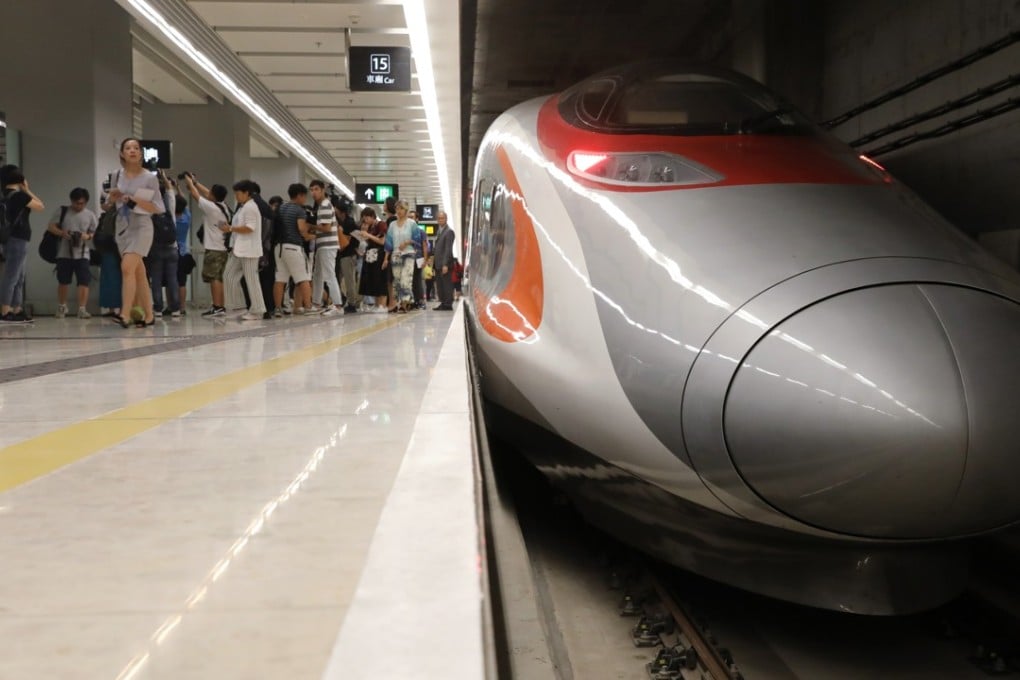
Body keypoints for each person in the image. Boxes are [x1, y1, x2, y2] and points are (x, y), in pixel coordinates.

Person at [105, 138, 164, 328]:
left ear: (141, 153)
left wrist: (135, 200)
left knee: (127, 267)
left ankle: (125, 313)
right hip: (122, 227)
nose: (132, 151)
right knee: (139, 273)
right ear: (122, 153)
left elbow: (158, 207)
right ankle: (149, 315)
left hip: (142, 226)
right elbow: (106, 205)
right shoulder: (115, 175)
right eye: (128, 148)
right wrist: (111, 199)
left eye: (136, 148)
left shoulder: (149, 178)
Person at [0, 165, 45, 323]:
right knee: (13, 276)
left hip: (8, 239)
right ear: (19, 179)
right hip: (18, 238)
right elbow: (40, 206)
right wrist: (27, 190)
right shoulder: (19, 196)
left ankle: (16, 308)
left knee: (17, 275)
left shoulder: (4, 195)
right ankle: (6, 311)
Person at [182, 173, 230, 317]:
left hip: (214, 249)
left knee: (213, 278)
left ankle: (217, 307)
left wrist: (190, 183)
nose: (208, 193)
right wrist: (196, 182)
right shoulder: (223, 206)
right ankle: (220, 306)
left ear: (213, 196)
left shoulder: (212, 208)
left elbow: (196, 195)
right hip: (222, 248)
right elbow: (206, 192)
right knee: (218, 278)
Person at [49, 187, 97, 319]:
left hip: (83, 254)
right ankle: (62, 307)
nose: (78, 206)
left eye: (81, 203)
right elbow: (51, 226)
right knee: (63, 281)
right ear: (71, 201)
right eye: (76, 203)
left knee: (84, 281)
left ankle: (82, 309)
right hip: (64, 253)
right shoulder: (63, 211)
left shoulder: (90, 215)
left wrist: (86, 236)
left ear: (86, 202)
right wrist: (62, 233)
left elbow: (94, 233)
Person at [222, 179, 265, 320]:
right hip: (238, 249)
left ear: (247, 193)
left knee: (251, 279)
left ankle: (257, 310)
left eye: (238, 193)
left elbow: (250, 228)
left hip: (249, 250)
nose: (236, 196)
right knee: (228, 276)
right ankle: (237, 306)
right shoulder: (242, 207)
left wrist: (230, 228)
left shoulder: (251, 208)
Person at [273, 183, 314, 317]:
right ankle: (308, 307)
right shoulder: (299, 210)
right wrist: (310, 236)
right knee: (303, 278)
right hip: (293, 246)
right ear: (300, 195)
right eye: (305, 196)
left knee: (280, 279)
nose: (305, 199)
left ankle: (278, 308)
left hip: (279, 247)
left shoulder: (280, 207)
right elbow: (302, 229)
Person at [308, 179, 344, 315]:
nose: (313, 192)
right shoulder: (322, 205)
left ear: (323, 190)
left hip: (328, 246)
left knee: (329, 275)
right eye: (311, 190)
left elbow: (327, 228)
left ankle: (338, 305)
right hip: (322, 245)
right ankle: (316, 303)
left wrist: (311, 227)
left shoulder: (324, 205)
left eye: (316, 189)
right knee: (317, 275)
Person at [148, 173, 180, 318]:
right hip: (172, 247)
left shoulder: (150, 209)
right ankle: (175, 309)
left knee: (156, 279)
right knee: (172, 279)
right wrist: (165, 178)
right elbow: (170, 191)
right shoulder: (170, 210)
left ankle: (158, 308)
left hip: (155, 248)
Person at [383, 199, 422, 313]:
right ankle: (403, 302)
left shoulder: (412, 223)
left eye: (401, 209)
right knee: (398, 280)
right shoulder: (392, 225)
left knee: (406, 279)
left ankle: (405, 303)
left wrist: (407, 242)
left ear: (406, 210)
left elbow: (417, 240)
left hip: (409, 254)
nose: (399, 211)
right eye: (397, 208)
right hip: (395, 254)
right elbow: (388, 243)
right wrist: (385, 258)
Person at [356, 207, 388, 313]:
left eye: (367, 218)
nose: (365, 221)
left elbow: (382, 241)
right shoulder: (370, 228)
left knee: (380, 280)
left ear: (372, 216)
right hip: (370, 256)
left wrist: (368, 235)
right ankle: (377, 304)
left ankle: (382, 305)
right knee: (373, 280)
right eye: (364, 219)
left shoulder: (381, 225)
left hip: (379, 255)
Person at [334, 197, 361, 313]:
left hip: (348, 255)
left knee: (349, 280)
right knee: (340, 279)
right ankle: (346, 299)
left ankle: (352, 303)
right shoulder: (344, 222)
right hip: (344, 254)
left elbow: (346, 242)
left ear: (341, 211)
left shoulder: (349, 223)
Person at [174, 190, 195, 315]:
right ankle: (182, 307)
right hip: (184, 252)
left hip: (172, 250)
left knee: (171, 280)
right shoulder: (187, 218)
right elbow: (184, 205)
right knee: (182, 282)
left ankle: (173, 306)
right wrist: (178, 189)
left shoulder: (171, 219)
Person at [432, 210, 456, 310]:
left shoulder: (449, 232)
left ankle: (447, 304)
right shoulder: (439, 231)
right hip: (438, 264)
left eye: (442, 218)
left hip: (444, 263)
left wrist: (445, 264)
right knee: (440, 285)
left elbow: (448, 249)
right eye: (439, 218)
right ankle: (443, 302)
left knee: (446, 284)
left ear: (446, 219)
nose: (440, 220)